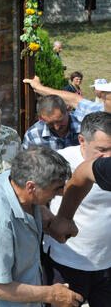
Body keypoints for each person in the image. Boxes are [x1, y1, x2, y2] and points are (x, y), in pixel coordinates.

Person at [0, 146, 83, 307]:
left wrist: (49, 222)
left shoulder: (11, 180)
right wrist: (51, 294)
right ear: (31, 187)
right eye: (56, 188)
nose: (61, 193)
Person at [42, 112, 111, 306]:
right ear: (82, 140)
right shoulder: (58, 162)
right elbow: (34, 198)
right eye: (102, 150)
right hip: (66, 262)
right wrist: (51, 222)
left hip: (107, 265)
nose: (108, 158)